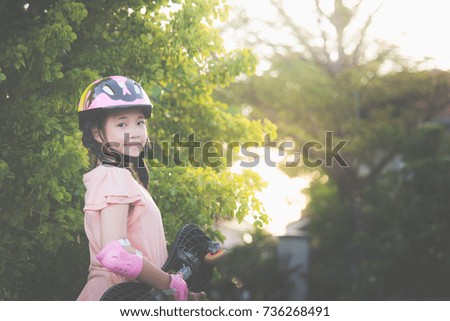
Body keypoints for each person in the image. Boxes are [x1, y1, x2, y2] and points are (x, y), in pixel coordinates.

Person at [76, 76, 199, 301]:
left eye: (140, 122)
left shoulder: (120, 178)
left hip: (129, 296)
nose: (134, 132)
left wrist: (181, 288)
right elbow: (116, 254)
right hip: (116, 296)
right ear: (96, 132)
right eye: (121, 124)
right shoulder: (114, 176)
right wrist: (172, 285)